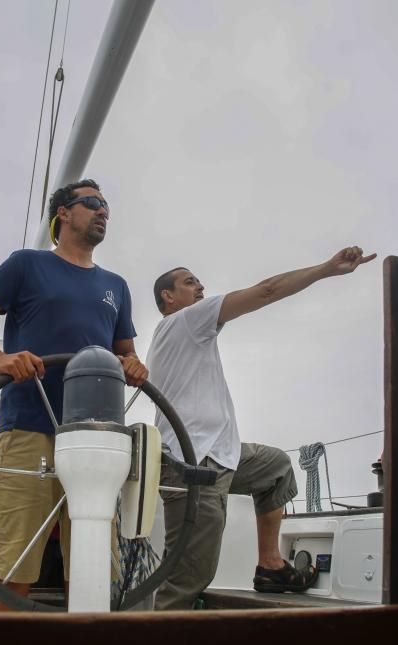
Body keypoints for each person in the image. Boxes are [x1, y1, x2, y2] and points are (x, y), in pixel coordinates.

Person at [0, 178, 148, 611]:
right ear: (62, 213)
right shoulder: (26, 265)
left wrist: (133, 363)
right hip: (29, 428)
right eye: (93, 202)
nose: (103, 212)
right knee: (15, 566)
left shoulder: (116, 285)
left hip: (96, 439)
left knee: (93, 568)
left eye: (106, 206)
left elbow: (126, 354)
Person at [147, 246, 375, 610]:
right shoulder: (185, 320)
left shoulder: (178, 334)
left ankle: (270, 565)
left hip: (223, 456)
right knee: (188, 580)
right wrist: (326, 269)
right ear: (168, 297)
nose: (201, 287)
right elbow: (267, 289)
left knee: (277, 467)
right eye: (190, 282)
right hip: (194, 465)